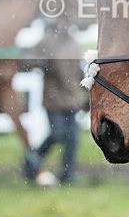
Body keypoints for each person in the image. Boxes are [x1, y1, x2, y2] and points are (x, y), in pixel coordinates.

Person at [20, 23, 87, 186]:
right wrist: (42, 64)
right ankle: (32, 159)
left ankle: (66, 173)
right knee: (57, 133)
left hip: (72, 97)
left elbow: (78, 70)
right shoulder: (47, 40)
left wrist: (86, 90)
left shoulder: (73, 42)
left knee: (72, 138)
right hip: (54, 98)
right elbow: (25, 58)